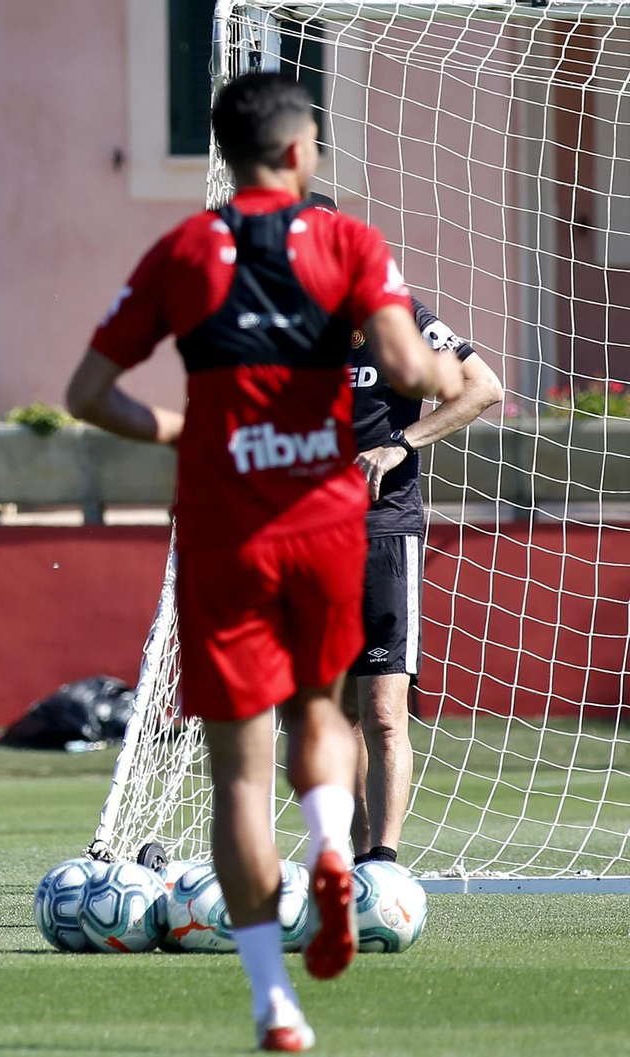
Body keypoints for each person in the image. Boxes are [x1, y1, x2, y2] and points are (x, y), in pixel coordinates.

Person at [65, 74, 462, 1052]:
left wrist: (178, 428)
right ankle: (335, 850)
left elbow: (87, 392)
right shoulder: (347, 244)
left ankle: (272, 1001)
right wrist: (423, 366)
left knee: (238, 777)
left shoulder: (183, 250)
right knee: (325, 714)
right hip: (324, 522)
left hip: (225, 526)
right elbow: (413, 370)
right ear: (296, 153)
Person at [306, 194, 504, 868]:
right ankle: (354, 859)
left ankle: (383, 862)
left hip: (383, 530)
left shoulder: (398, 316)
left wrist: (400, 444)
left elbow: (482, 387)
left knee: (384, 712)